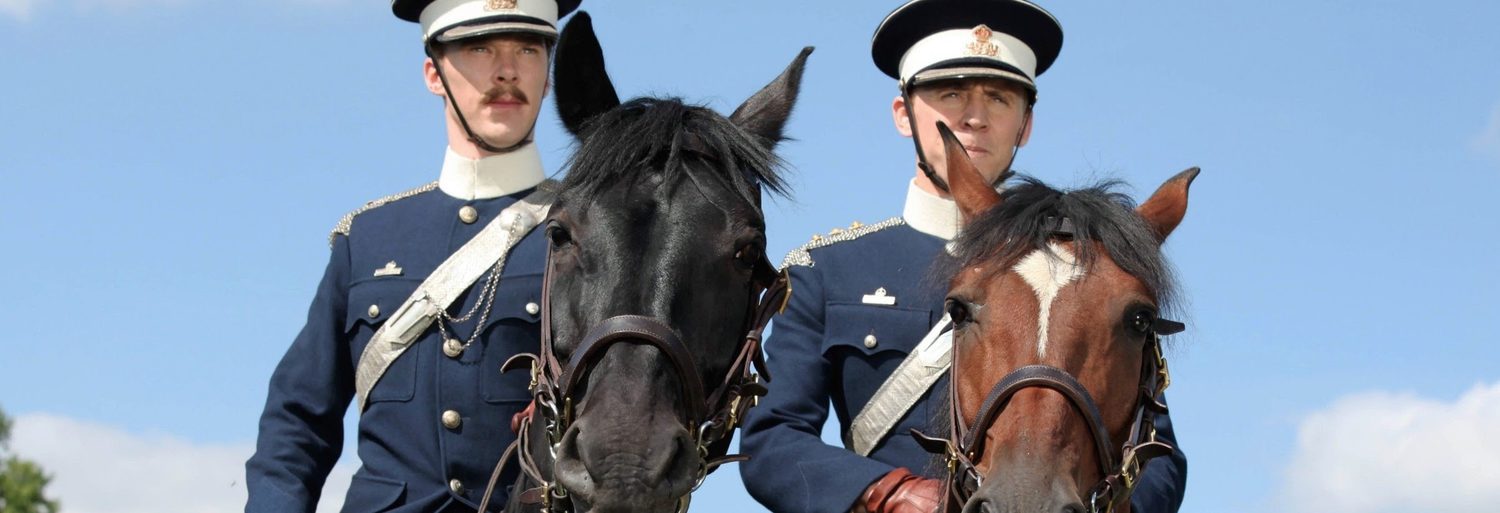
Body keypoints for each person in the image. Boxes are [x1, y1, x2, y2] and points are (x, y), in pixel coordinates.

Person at [737, 1, 1188, 512]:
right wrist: (893, 496)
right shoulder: (827, 271)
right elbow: (770, 441)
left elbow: (1159, 456)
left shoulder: (1084, 274)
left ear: (1026, 125)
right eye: (950, 94)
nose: (974, 118)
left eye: (999, 98)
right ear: (903, 114)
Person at [244, 0, 579, 511]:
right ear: (433, 74)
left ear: (549, 75)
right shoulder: (369, 239)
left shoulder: (585, 231)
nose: (507, 70)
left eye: (528, 50)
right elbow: (297, 420)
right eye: (479, 48)